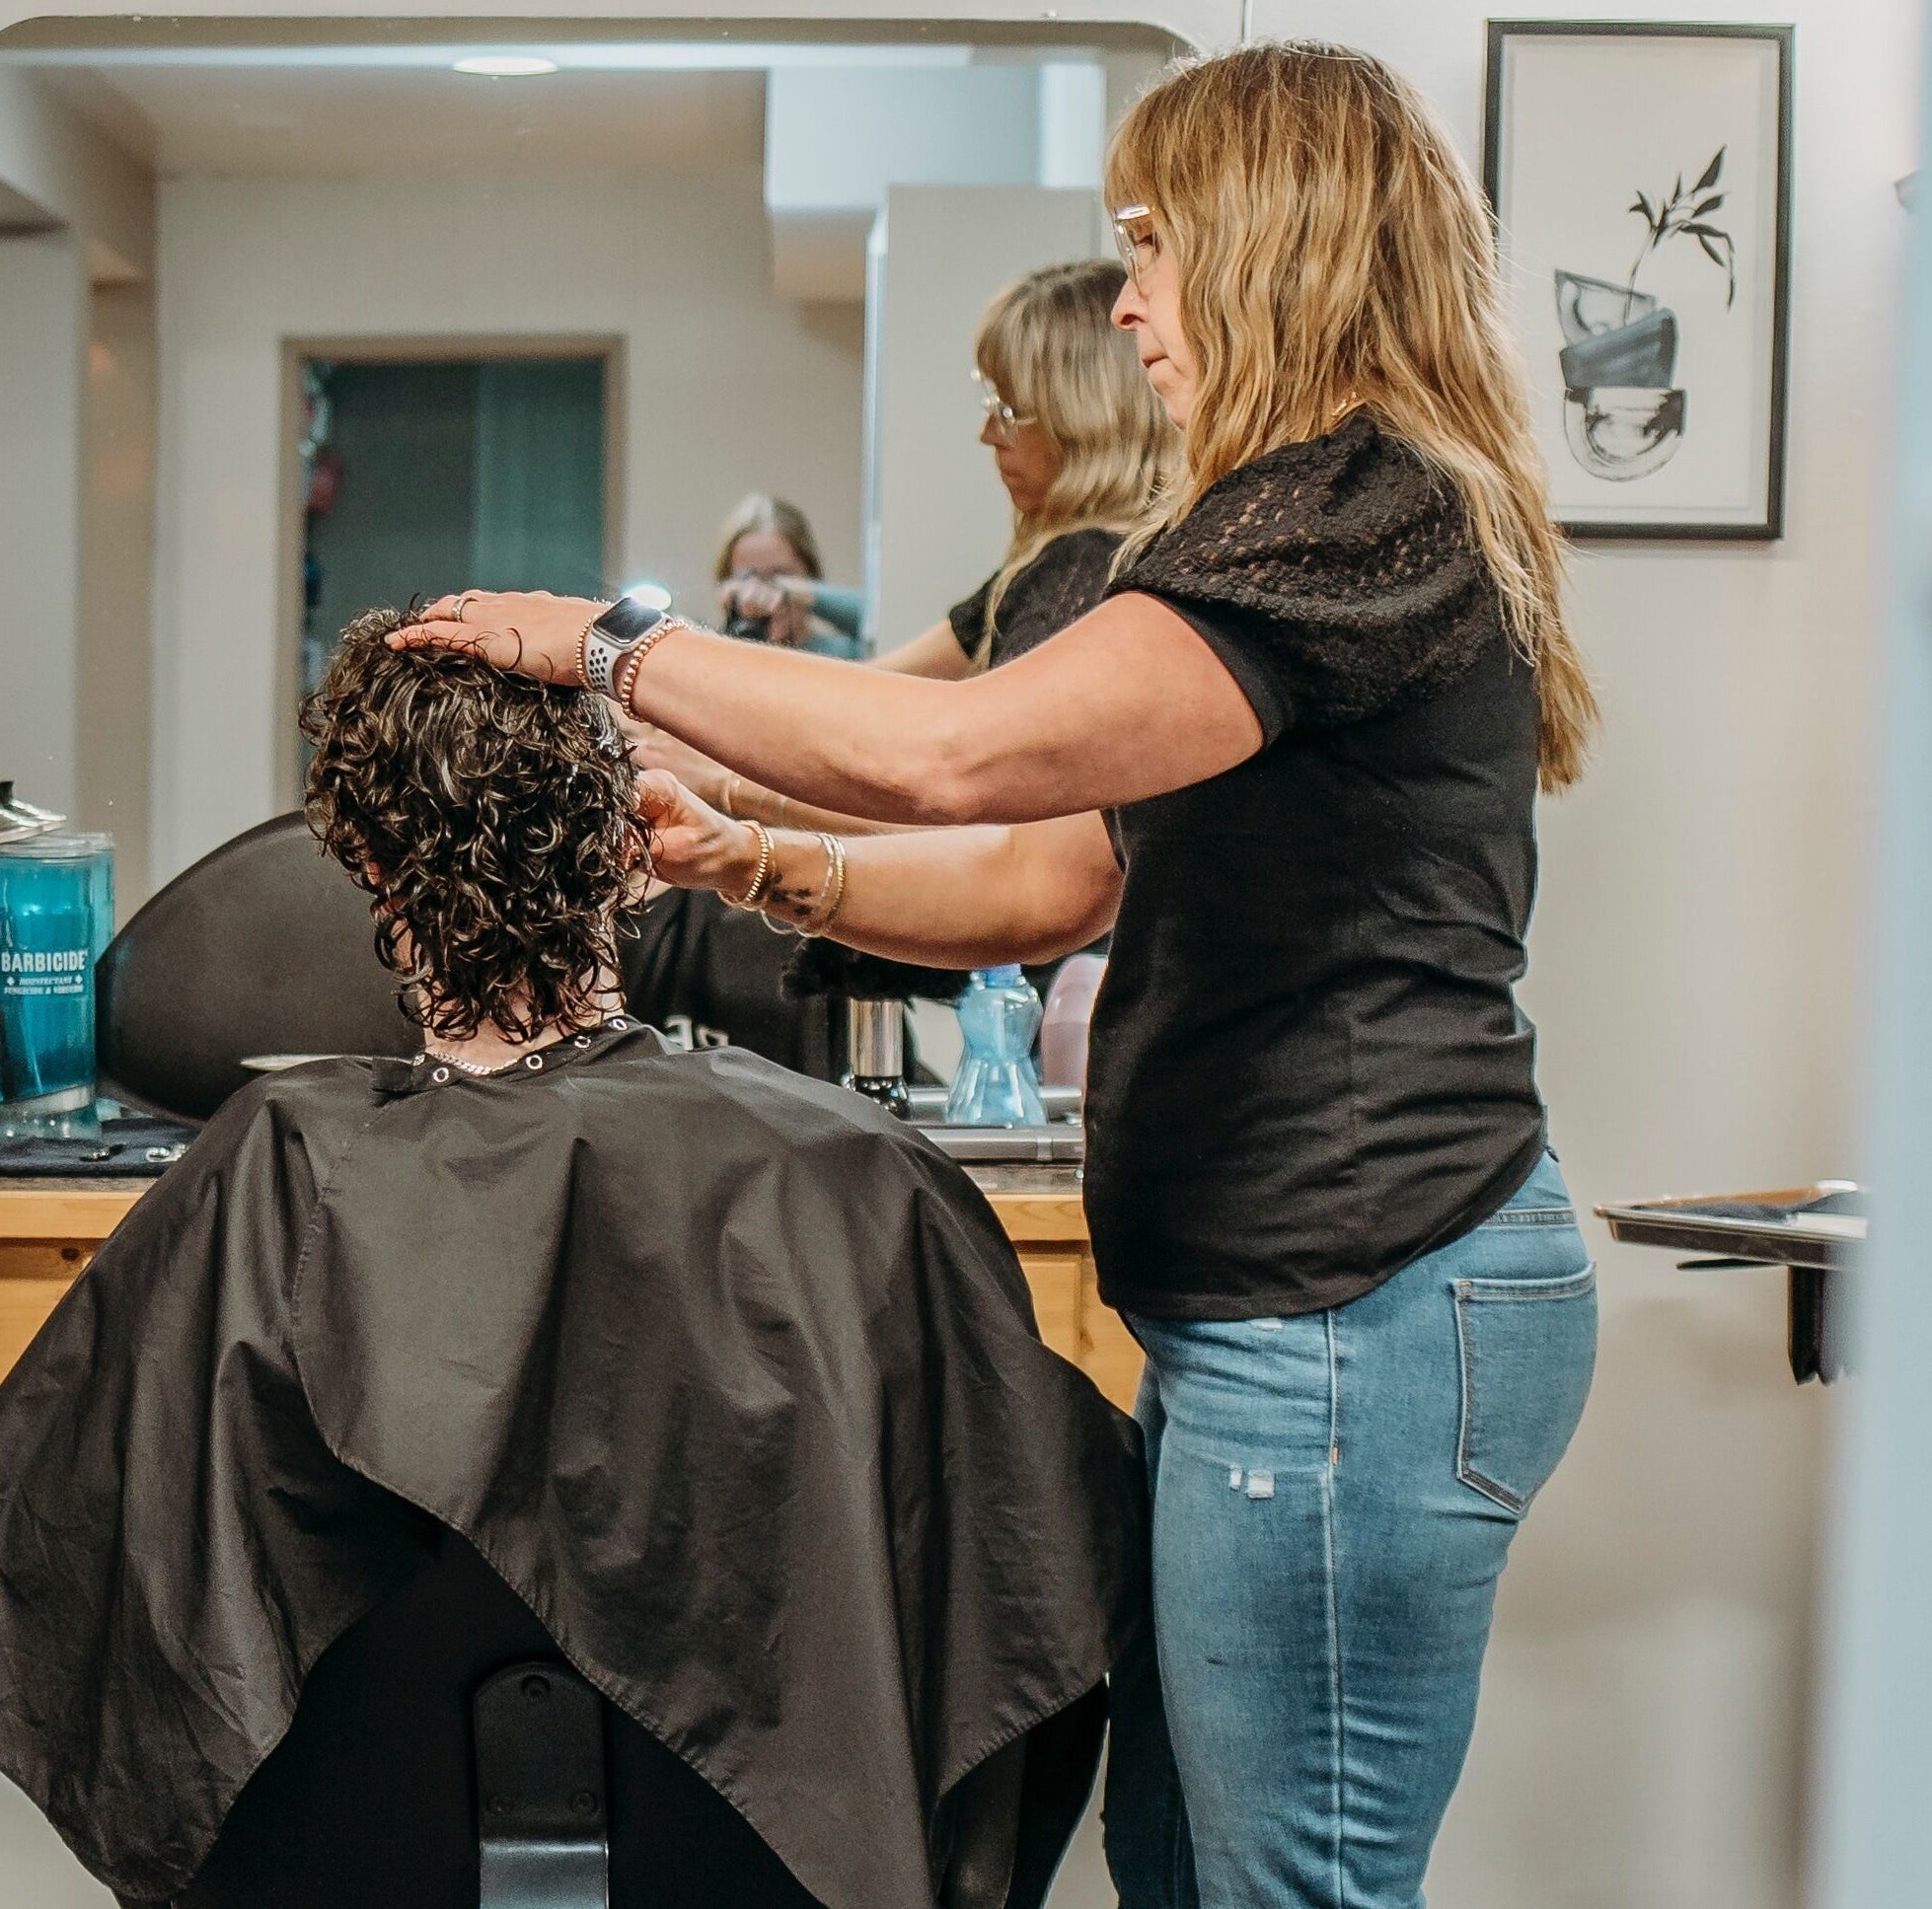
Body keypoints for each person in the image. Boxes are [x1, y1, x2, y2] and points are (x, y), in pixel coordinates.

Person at [392, 38, 1602, 1909]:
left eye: (1151, 244)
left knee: (1284, 1891)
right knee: (1181, 1865)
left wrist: (605, 644)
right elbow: (1050, 874)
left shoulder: (1363, 509)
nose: (1126, 304)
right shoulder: (1264, 519)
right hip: (1277, 1307)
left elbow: (957, 757)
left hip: (1362, 1301)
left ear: (1273, 235)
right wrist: (756, 860)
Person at [0, 606, 1148, 1909]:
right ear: (633, 852)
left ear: (363, 862)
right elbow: (1027, 1621)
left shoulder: (265, 1179)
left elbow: (84, 1601)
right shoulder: (855, 1181)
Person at [657, 257, 1172, 834]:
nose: (987, 435)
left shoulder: (1079, 571)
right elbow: (878, 686)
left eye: (1006, 413)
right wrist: (683, 693)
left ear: (1083, 419)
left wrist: (726, 783)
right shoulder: (1040, 575)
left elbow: (970, 832)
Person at [710, 492, 866, 657]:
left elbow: (881, 617)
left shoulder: (843, 655)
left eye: (781, 575)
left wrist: (789, 590)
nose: (762, 594)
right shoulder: (714, 654)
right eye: (747, 578)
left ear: (810, 573)